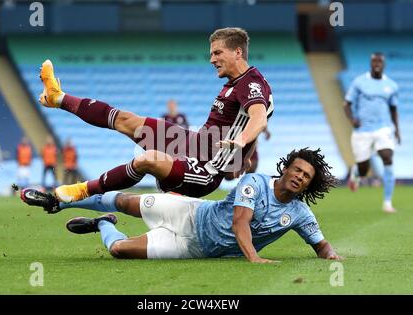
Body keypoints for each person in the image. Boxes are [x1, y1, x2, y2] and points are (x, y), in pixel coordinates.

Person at [35, 27, 274, 203]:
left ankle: (84, 189)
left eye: (217, 53)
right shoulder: (238, 83)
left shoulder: (250, 84)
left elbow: (259, 118)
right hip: (193, 143)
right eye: (211, 54)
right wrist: (243, 157)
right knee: (127, 119)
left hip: (207, 168)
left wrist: (242, 144)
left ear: (238, 52)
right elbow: (255, 117)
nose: (212, 59)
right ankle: (57, 97)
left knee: (147, 159)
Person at [21, 148, 342, 263]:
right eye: (297, 169)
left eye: (306, 176)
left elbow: (321, 245)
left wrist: (331, 255)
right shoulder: (255, 183)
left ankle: (103, 224)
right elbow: (240, 222)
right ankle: (58, 201)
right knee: (123, 200)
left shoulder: (299, 213)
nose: (299, 176)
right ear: (285, 169)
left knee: (119, 252)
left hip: (192, 248)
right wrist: (254, 257)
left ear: (310, 184)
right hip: (189, 213)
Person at [345, 52, 401, 213]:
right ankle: (356, 172)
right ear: (371, 63)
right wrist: (352, 120)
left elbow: (393, 108)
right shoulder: (359, 82)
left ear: (384, 64)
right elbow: (346, 104)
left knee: (387, 156)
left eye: (380, 61)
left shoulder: (392, 85)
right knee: (364, 169)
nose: (377, 63)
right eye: (374, 60)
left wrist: (397, 130)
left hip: (383, 128)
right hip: (362, 130)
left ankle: (387, 202)